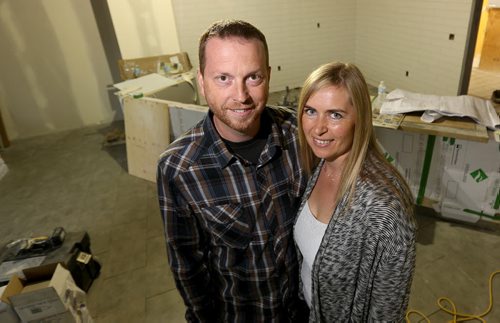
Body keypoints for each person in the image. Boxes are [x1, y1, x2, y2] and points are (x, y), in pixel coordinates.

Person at [157, 19, 308, 322]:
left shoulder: (298, 135)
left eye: (252, 77)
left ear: (268, 75)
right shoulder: (179, 168)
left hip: (302, 311)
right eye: (223, 78)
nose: (241, 96)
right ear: (201, 81)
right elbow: (188, 265)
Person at [293, 62, 417, 322]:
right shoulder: (322, 164)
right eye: (311, 111)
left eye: (335, 115)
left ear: (360, 118)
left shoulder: (384, 209)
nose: (318, 128)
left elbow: (386, 312)